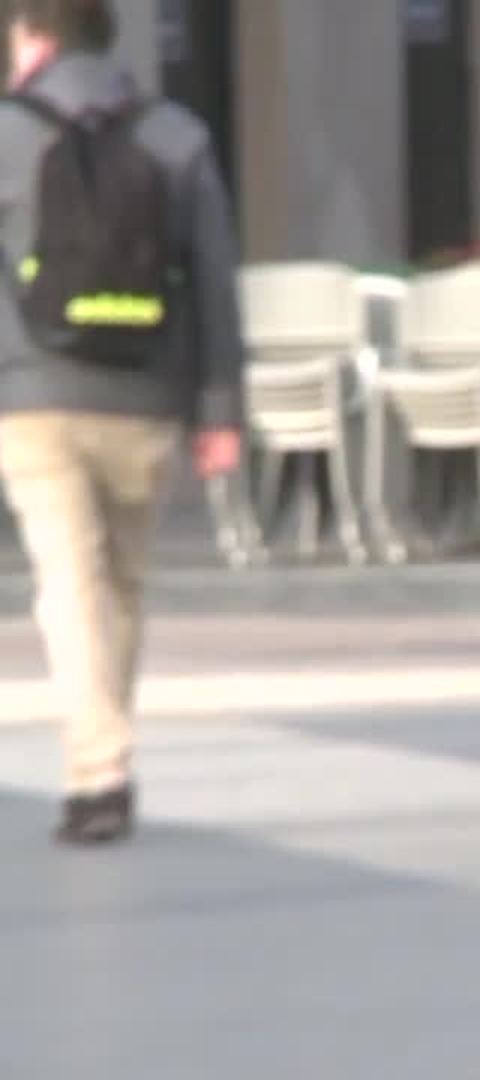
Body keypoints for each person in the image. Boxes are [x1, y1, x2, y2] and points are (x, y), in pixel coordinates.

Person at [0, 0, 244, 846]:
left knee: (68, 583)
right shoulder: (176, 135)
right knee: (122, 585)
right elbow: (212, 279)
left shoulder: (6, 133)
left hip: (34, 394)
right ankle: (103, 756)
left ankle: (98, 772)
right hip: (145, 395)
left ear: (34, 38)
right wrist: (219, 408)